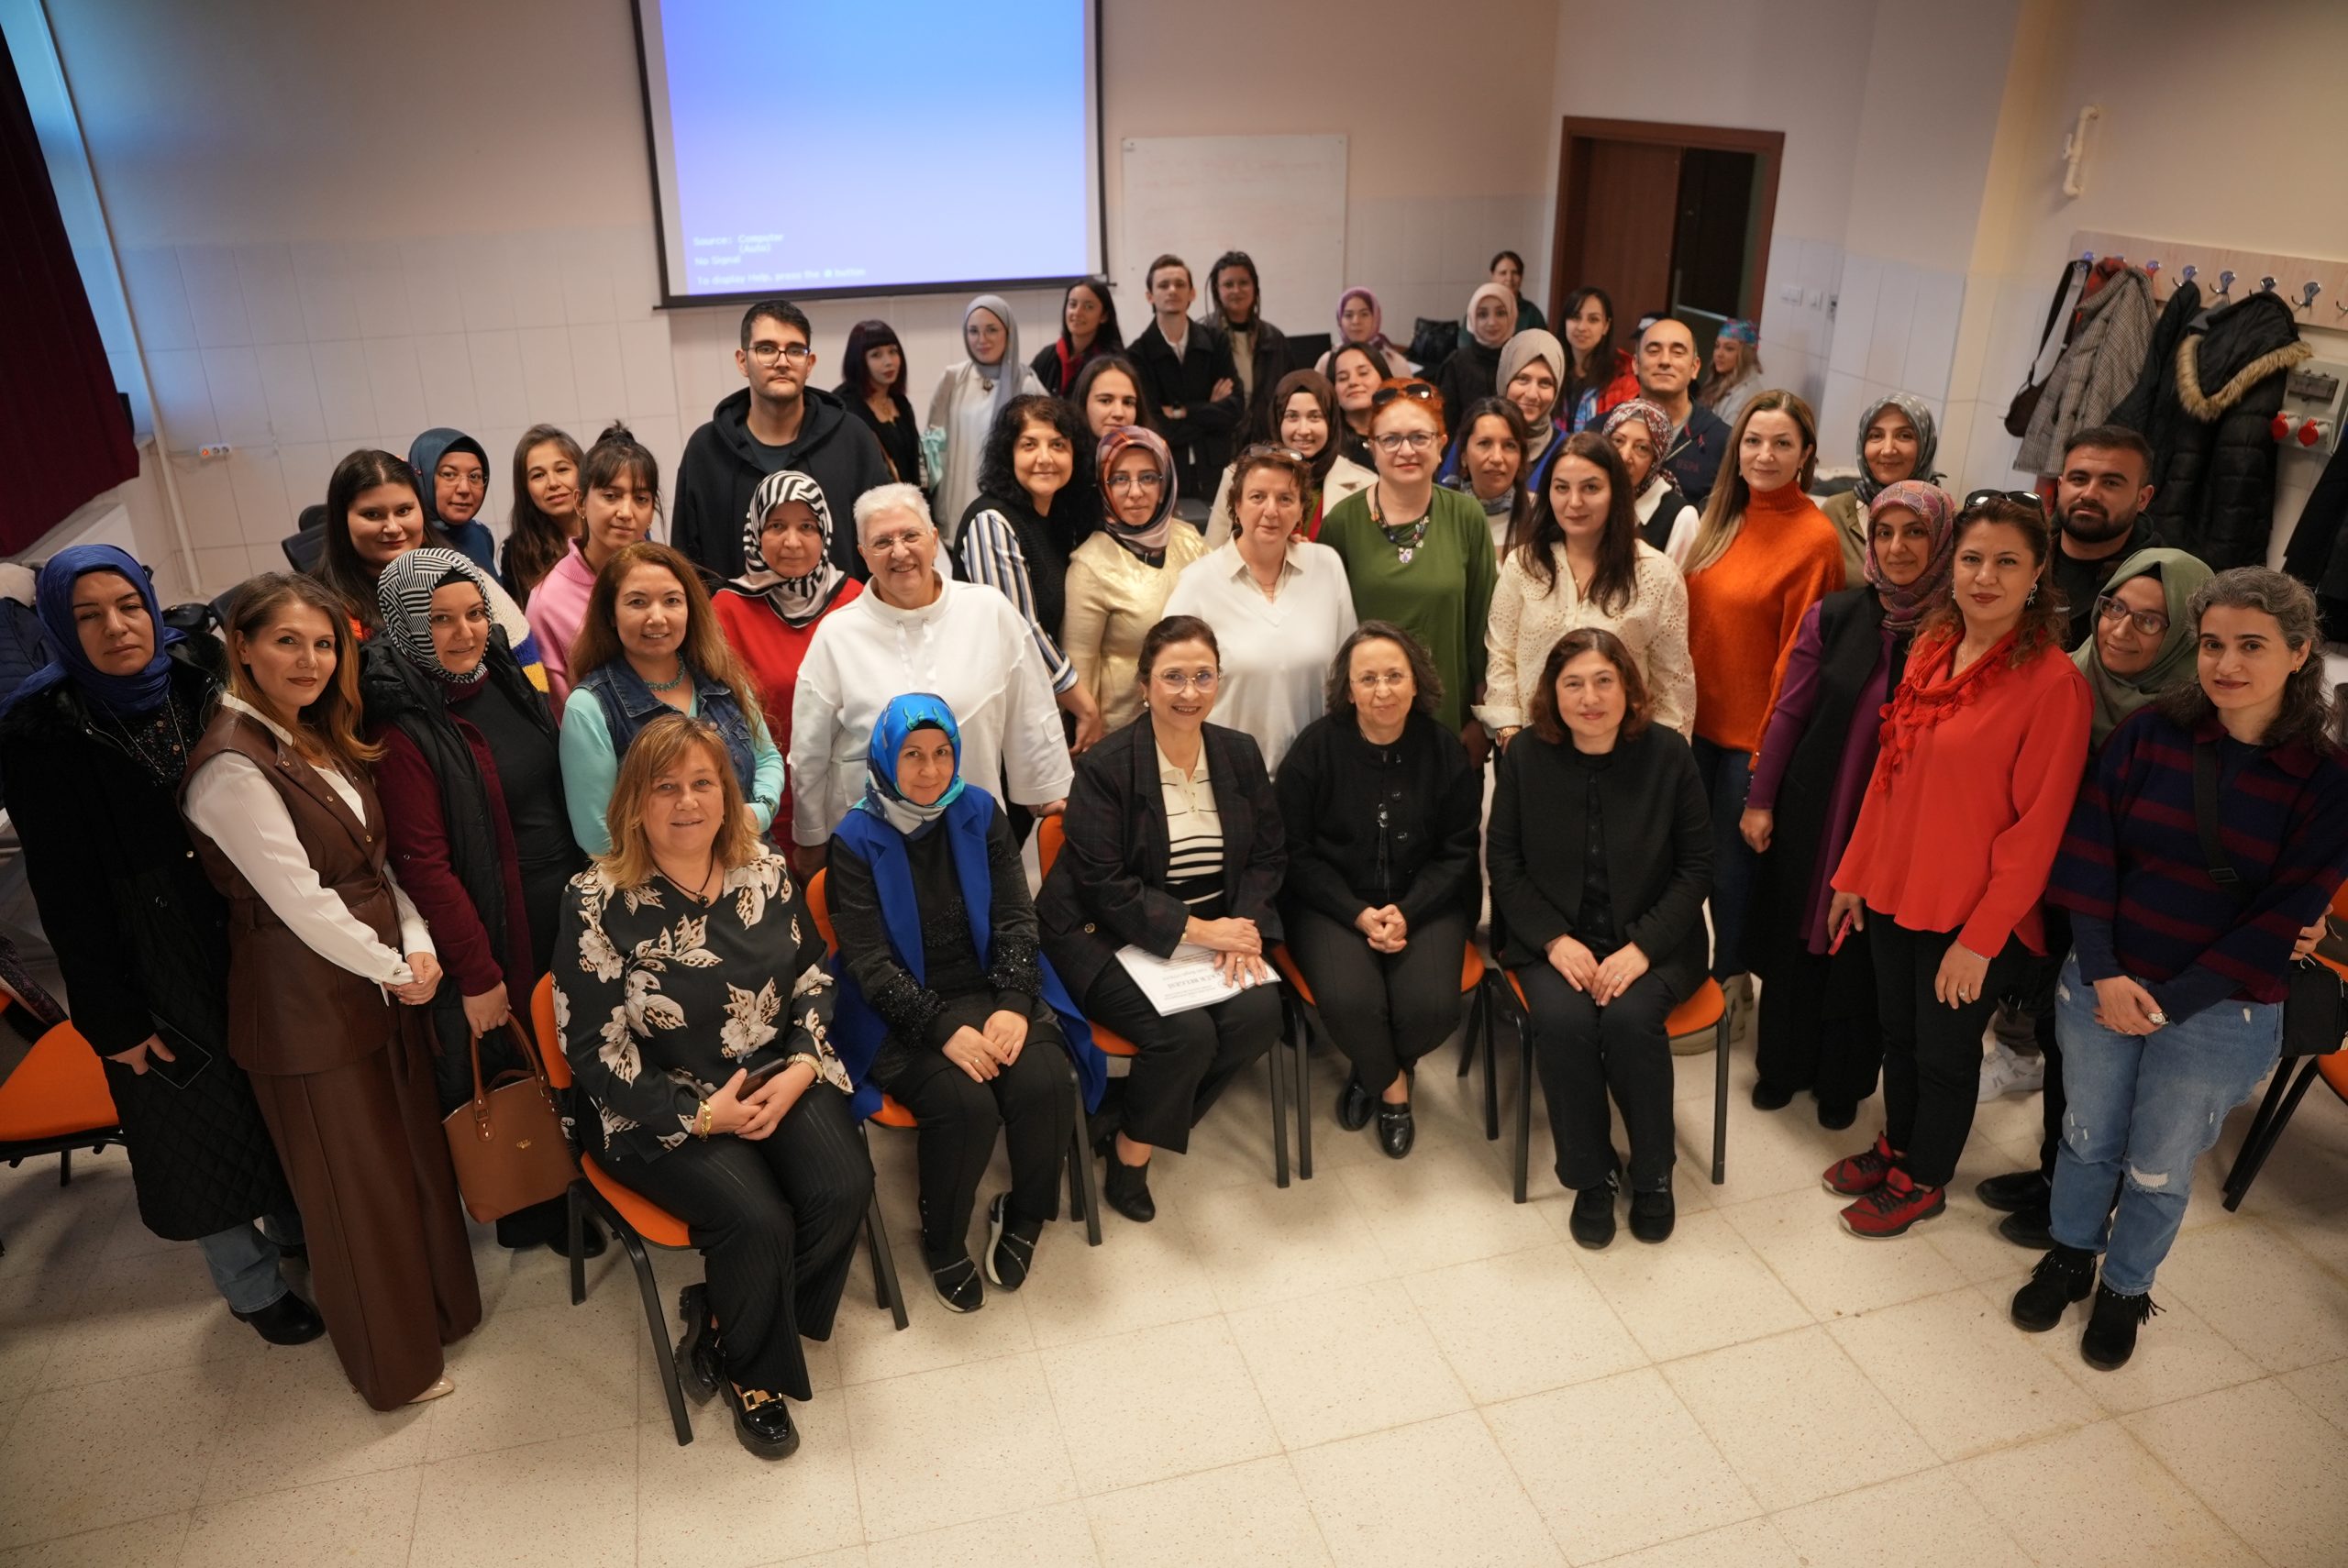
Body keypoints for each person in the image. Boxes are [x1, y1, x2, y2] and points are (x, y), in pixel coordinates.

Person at [2013, 568, 2348, 1369]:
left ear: (2300, 653)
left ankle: (2127, 1287)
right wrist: (2104, 971)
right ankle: (2070, 1253)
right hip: (2104, 982)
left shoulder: (2327, 781)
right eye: (2212, 644)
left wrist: (2169, 1001)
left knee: (2159, 1166)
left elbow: (2287, 913)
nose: (2226, 664)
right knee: (2086, 1137)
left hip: (2220, 1009)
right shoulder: (2150, 735)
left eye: (2251, 645)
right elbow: (2091, 853)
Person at [0, 547, 313, 1345]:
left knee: (266, 1093)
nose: (116, 627)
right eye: (88, 615)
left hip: (236, 922)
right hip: (142, 949)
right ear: (58, 628)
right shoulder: (39, 732)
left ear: (150, 603)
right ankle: (250, 1288)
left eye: (128, 606)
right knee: (191, 1119)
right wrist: (113, 1018)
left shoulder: (197, 679)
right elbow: (63, 894)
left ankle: (295, 1232)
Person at [183, 573, 479, 1409]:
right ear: (242, 647)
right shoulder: (231, 766)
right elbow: (302, 903)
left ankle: (440, 1316)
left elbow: (376, 869)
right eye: (287, 642)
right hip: (305, 1010)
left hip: (374, 986)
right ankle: (395, 1370)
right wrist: (396, 967)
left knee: (408, 1167)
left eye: (322, 644)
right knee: (353, 1199)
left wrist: (418, 945)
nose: (309, 660)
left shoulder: (316, 736)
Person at [554, 712, 869, 1459]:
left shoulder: (765, 868)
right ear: (634, 802)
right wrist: (699, 1117)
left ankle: (728, 1317)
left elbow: (815, 975)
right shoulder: (595, 900)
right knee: (758, 1221)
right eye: (665, 787)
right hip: (654, 1104)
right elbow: (591, 1048)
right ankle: (751, 1373)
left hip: (771, 1070)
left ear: (728, 794)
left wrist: (802, 1066)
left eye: (703, 783)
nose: (688, 802)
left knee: (843, 1187)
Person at [1823, 496, 2091, 1238]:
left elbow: (2037, 833)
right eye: (1972, 559)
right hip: (1896, 886)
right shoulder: (1934, 646)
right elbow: (1890, 776)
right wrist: (1853, 875)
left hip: (1972, 910)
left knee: (1944, 1053)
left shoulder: (2054, 685)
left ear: (2037, 574)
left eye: (2007, 562)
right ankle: (1898, 1144)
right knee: (1899, 1034)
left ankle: (1925, 1177)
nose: (1985, 577)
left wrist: (1980, 940)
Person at [826, 695, 1105, 1309]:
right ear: (885, 758)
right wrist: (942, 1029)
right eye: (912, 755)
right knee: (965, 1105)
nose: (930, 770)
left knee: (1044, 1082)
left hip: (991, 984)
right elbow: (870, 966)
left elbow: (1016, 918)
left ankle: (1025, 1213)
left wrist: (1013, 1002)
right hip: (900, 1007)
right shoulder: (854, 840)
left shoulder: (979, 810)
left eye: (942, 753)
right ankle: (944, 1239)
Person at [1972, 545, 2212, 1246]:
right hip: (2055, 898)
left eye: (2150, 621)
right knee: (2060, 1047)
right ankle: (2056, 1174)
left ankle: (2080, 1206)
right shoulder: (2067, 679)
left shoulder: (2189, 724)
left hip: (2125, 923)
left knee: (2102, 1074)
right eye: (2113, 608)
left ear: (2184, 635)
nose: (2120, 630)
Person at [360, 547, 595, 1256]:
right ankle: (538, 1209)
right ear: (406, 625)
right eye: (440, 620)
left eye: (474, 614)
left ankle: (590, 1181)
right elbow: (426, 868)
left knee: (576, 1052)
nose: (465, 633)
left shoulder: (499, 674)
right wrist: (477, 973)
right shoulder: (402, 725)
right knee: (517, 1063)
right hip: (497, 926)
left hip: (561, 905)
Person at [1036, 616, 1286, 1222]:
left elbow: (1268, 854)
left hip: (1212, 927)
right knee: (1185, 1037)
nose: (1189, 692)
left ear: (1219, 681)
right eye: (1173, 677)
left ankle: (1126, 1116)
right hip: (1103, 932)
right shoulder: (1107, 765)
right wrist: (1201, 931)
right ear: (1145, 684)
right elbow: (1103, 886)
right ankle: (1132, 1155)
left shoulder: (1239, 753)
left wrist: (1242, 927)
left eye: (1203, 676)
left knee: (1259, 1015)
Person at [1740, 482, 1957, 1127]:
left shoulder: (1956, 635)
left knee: (1863, 953)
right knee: (1795, 937)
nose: (1897, 547)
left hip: (1895, 824)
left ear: (1943, 542)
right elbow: (1789, 712)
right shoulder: (1834, 615)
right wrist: (1761, 799)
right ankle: (1781, 1064)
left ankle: (1842, 1080)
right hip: (1817, 807)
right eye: (1884, 533)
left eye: (1914, 533)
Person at [1491, 627, 1711, 1248]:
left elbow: (1697, 866)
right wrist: (1553, 940)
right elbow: (1504, 863)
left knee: (1629, 1020)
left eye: (1603, 681)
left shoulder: (1669, 754)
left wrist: (1642, 948)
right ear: (1552, 693)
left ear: (1629, 689)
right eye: (1573, 684)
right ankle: (1592, 1177)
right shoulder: (1525, 755)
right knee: (1563, 1023)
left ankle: (1654, 1173)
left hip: (1654, 940)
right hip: (1553, 939)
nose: (1589, 698)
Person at [1277, 623, 1479, 1155]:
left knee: (1433, 1009)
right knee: (1349, 1001)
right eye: (1367, 679)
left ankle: (1372, 1068)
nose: (1382, 690)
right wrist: (1356, 912)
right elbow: (1295, 851)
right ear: (1348, 690)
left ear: (1417, 683)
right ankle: (1392, 1088)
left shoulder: (1444, 751)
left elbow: (1458, 851)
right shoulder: (1315, 750)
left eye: (1395, 676)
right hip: (1331, 904)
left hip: (1426, 903)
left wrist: (1409, 910)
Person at [791, 484, 1073, 859]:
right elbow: (809, 751)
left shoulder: (988, 610)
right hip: (872, 845)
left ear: (935, 540)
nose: (899, 552)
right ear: (863, 555)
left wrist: (1049, 795)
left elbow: (1032, 714)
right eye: (882, 542)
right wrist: (811, 838)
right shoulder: (837, 634)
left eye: (911, 536)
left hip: (976, 833)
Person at [1680, 392, 1844, 998]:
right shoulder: (1721, 516)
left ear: (1806, 454)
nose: (1765, 455)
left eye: (1781, 443)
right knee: (1686, 865)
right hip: (1692, 728)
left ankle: (1730, 983)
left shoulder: (1814, 540)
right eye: (1753, 441)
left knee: (1732, 875)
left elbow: (1798, 669)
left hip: (1748, 742)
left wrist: (1764, 767)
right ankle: (1689, 974)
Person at [559, 541, 783, 856]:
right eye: (637, 602)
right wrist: (690, 863)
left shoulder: (722, 678)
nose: (657, 618)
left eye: (672, 601)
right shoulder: (590, 708)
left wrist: (757, 814)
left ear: (690, 608)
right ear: (611, 613)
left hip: (749, 855)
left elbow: (767, 758)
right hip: (654, 880)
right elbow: (597, 835)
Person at [1485, 432, 1694, 743]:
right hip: (1534, 746)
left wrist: (1664, 758)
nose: (1574, 502)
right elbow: (1501, 656)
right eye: (1561, 488)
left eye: (1591, 488)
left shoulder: (1657, 573)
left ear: (1616, 493)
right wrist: (1511, 735)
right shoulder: (1523, 565)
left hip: (1625, 753)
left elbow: (1673, 684)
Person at [1320, 380, 1499, 741]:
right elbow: (1326, 634)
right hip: (1363, 726)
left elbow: (1484, 628)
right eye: (1390, 439)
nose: (1406, 450)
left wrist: (1481, 721)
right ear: (1372, 447)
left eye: (1420, 437)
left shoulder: (1467, 516)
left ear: (1441, 444)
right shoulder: (1342, 522)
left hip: (1449, 725)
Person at [1165, 444, 1358, 771]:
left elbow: (1347, 674)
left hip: (1315, 775)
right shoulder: (1198, 582)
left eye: (1285, 499)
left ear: (1301, 509)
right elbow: (1169, 688)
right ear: (1236, 505)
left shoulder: (1327, 566)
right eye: (1257, 497)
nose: (1272, 510)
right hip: (1227, 776)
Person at [674, 298, 892, 581]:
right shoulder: (706, 449)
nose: (782, 362)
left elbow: (885, 537)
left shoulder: (852, 440)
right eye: (766, 349)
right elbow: (686, 563)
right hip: (732, 610)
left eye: (795, 350)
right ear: (742, 361)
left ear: (809, 363)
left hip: (843, 609)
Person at [711, 471, 864, 860]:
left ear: (825, 532)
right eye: (777, 526)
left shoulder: (855, 599)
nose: (792, 542)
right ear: (756, 531)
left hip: (853, 802)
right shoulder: (727, 609)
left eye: (807, 527)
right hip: (763, 805)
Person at [313, 448, 546, 686]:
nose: (393, 527)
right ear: (342, 521)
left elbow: (527, 667)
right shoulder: (323, 609)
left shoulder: (463, 574)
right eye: (372, 514)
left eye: (403, 511)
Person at [955, 394, 1103, 755]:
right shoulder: (992, 521)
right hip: (996, 710)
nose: (1045, 458)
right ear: (1008, 454)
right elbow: (1022, 631)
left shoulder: (1055, 517)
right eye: (1029, 445)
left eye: (1058, 445)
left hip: (1035, 702)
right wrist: (1085, 706)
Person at [1064, 425, 1212, 733]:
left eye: (1148, 477)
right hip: (1124, 731)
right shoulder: (1090, 564)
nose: (1135, 492)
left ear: (1165, 482)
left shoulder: (1190, 540)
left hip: (1194, 720)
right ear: (1104, 486)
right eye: (1120, 479)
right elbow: (1081, 667)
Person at [524, 423, 658, 703]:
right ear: (581, 502)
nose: (626, 512)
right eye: (611, 496)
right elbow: (559, 709)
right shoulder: (547, 601)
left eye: (641, 499)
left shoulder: (667, 578)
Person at [1204, 370, 1375, 541]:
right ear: (1277, 420)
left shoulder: (1366, 485)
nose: (1303, 430)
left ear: (1331, 421)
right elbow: (1212, 551)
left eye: (1314, 417)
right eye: (1292, 416)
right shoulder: (1237, 476)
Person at [1126, 255, 1244, 502]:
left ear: (1192, 293)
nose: (1172, 290)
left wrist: (1181, 411)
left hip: (1216, 470)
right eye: (1163, 285)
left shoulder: (1216, 341)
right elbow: (1154, 424)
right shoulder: (1137, 354)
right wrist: (1210, 408)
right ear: (1150, 296)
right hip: (1166, 472)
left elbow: (1234, 409)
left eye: (1180, 284)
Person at [928, 295, 1046, 539]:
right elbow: (932, 444)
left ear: (1008, 332)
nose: (982, 340)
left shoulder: (1026, 383)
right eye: (973, 331)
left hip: (1009, 505)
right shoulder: (953, 378)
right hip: (956, 503)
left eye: (991, 330)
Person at [2048, 425, 2165, 651]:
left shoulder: (2160, 581)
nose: (2089, 494)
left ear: (2143, 498)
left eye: (2111, 483)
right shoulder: (2020, 551)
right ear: (2061, 486)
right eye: (2079, 479)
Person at [1819, 395, 1943, 582]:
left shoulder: (1945, 517)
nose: (1888, 449)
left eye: (1904, 436)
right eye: (1876, 436)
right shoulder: (1836, 512)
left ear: (1926, 444)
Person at [1635, 318, 1733, 508]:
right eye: (1653, 351)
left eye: (1678, 353)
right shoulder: (1606, 429)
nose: (1665, 361)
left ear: (1694, 367)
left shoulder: (1723, 441)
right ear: (1636, 364)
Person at [1603, 398, 1699, 558]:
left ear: (1656, 459)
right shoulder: (1591, 496)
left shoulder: (1680, 517)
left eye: (1642, 448)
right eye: (1618, 441)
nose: (1625, 457)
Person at [502, 425, 584, 607]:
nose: (553, 483)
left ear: (583, 472)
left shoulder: (611, 530)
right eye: (538, 475)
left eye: (562, 470)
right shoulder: (517, 554)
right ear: (525, 488)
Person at [1440, 398, 1534, 558]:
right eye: (1484, 443)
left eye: (1509, 445)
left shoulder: (1540, 516)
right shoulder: (1441, 514)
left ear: (1521, 458)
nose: (1496, 458)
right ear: (1464, 455)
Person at [836, 319, 923, 488]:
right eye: (876, 355)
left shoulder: (900, 402)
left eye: (893, 351)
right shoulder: (845, 409)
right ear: (858, 360)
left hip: (907, 500)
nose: (888, 361)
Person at [1203, 250, 1288, 423]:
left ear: (1255, 287)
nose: (1236, 290)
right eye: (1228, 284)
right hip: (1219, 429)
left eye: (1243, 283)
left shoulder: (1274, 338)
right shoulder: (1203, 336)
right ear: (1217, 289)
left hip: (1264, 432)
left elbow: (1287, 391)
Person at [407, 427, 496, 574]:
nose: (464, 489)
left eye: (474, 476)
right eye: (449, 474)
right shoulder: (404, 541)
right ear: (422, 478)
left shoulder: (480, 535)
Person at [1432, 283, 1518, 436]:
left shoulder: (1521, 361)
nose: (1492, 322)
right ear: (1472, 318)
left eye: (1500, 313)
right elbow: (1445, 426)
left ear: (1512, 316)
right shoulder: (1456, 364)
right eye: (1482, 315)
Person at [1557, 287, 1639, 433]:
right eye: (1575, 317)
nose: (1582, 327)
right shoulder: (1550, 368)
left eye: (1593, 319)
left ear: (1606, 326)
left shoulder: (1624, 376)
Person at [1032, 277, 1124, 396]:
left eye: (1088, 307)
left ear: (1104, 316)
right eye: (1073, 304)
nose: (1077, 312)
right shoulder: (1047, 356)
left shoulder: (1111, 364)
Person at [1497, 328, 1567, 475]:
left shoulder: (1568, 451)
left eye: (1545, 383)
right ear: (1505, 380)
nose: (1532, 394)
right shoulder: (1474, 440)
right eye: (1522, 379)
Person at [1314, 288, 1414, 377]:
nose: (1356, 321)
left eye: (1364, 314)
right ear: (1340, 320)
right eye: (1348, 315)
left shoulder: (1395, 362)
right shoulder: (1327, 361)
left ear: (1375, 318)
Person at [1466, 250, 1547, 343]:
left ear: (1521, 277)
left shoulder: (1532, 313)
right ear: (1492, 276)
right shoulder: (1478, 306)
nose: (1509, 278)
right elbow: (1464, 343)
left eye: (1515, 273)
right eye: (1503, 273)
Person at [1328, 342, 1388, 469]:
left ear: (1384, 378)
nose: (1353, 382)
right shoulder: (1328, 448)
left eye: (1363, 373)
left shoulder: (1406, 434)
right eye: (1343, 378)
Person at [1699, 320, 1765, 426]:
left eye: (1729, 348)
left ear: (1746, 354)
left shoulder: (1746, 393)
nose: (1719, 354)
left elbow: (1725, 434)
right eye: (1717, 346)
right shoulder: (1723, 380)